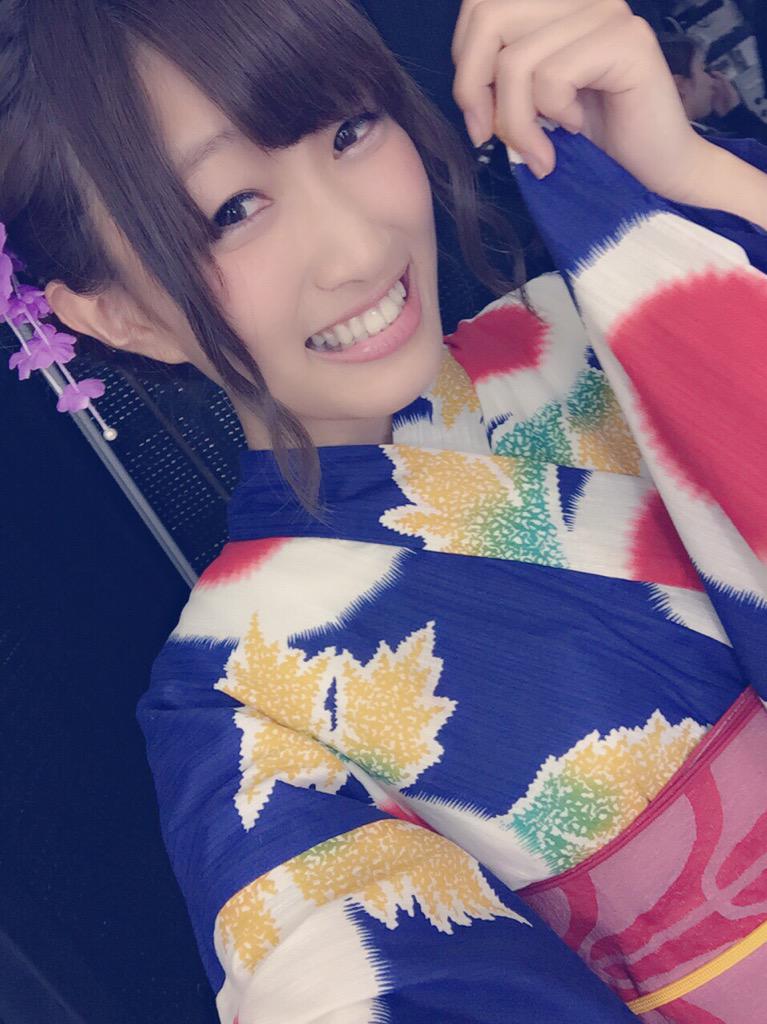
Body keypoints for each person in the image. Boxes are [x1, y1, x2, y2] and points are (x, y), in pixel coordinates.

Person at [2, 0, 767, 1021]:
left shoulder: (611, 306)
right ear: (121, 316)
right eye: (233, 209)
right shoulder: (245, 711)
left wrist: (693, 181)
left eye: (350, 129)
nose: (358, 247)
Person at [658, 30, 767, 143]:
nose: (711, 80)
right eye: (703, 70)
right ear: (679, 85)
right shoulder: (701, 143)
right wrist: (737, 114)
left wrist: (734, 114)